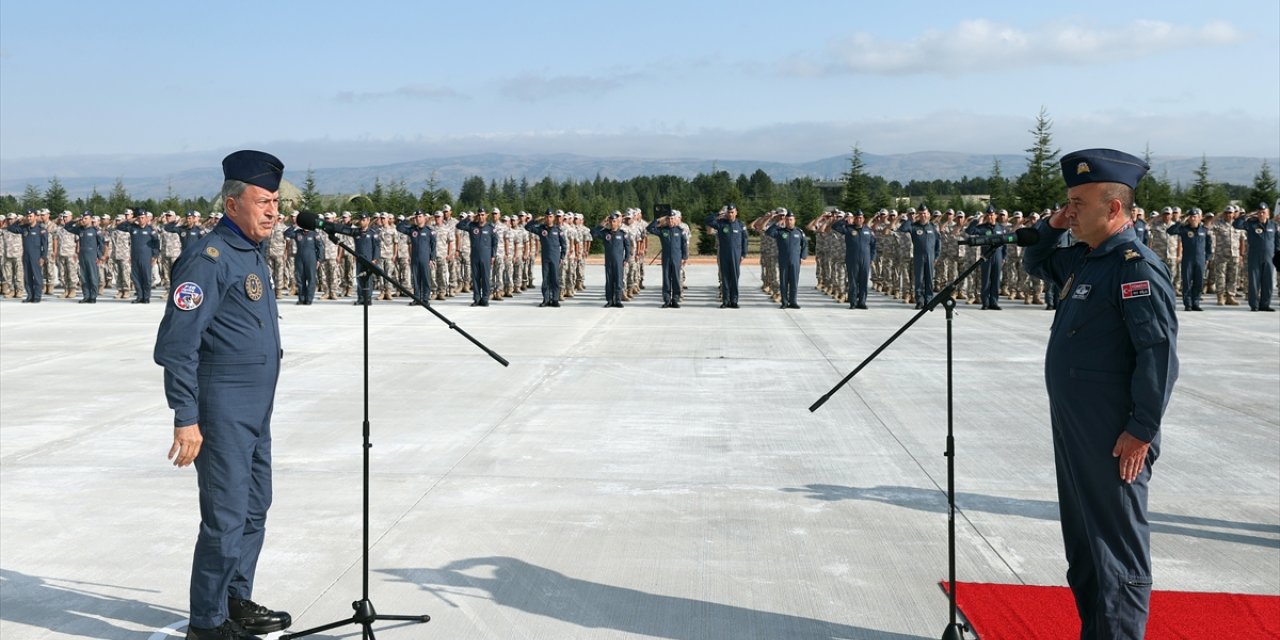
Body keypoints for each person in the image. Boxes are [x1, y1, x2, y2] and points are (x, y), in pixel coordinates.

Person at [1024, 148, 1179, 640]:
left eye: (1078, 203)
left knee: (1116, 550)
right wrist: (1053, 223)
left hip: (1114, 434)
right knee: (1086, 550)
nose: (1070, 212)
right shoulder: (1089, 259)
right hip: (1077, 429)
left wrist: (1140, 430)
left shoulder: (1134, 266)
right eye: (1067, 202)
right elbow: (1036, 258)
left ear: (1114, 208)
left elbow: (1158, 355)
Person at [153, 150, 292, 640]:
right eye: (263, 201)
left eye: (276, 201)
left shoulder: (249, 253)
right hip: (222, 410)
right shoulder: (207, 258)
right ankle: (208, 624)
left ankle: (235, 598)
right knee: (225, 516)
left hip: (256, 411)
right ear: (232, 204)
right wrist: (186, 417)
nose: (273, 211)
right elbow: (176, 346)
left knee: (255, 507)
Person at [1233, 203, 1278, 311]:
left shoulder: (1273, 225)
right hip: (1254, 256)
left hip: (1269, 257)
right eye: (1260, 212)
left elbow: (1277, 242)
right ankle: (1254, 305)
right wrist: (1248, 215)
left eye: (1264, 212)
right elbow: (1236, 224)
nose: (1261, 214)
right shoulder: (1251, 224)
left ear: (1268, 214)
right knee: (1254, 282)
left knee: (1268, 282)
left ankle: (1265, 305)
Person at [1166, 207, 1212, 311]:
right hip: (1188, 259)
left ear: (1199, 218)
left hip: (1200, 259)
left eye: (1195, 217)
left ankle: (1196, 302)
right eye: (1191, 217)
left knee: (1199, 281)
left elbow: (1209, 245)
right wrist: (1181, 221)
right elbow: (1170, 231)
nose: (1193, 219)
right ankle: (1188, 304)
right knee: (1186, 281)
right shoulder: (1184, 229)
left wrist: (1208, 258)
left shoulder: (1204, 230)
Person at [705, 203, 748, 308]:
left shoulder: (740, 225)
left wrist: (744, 254)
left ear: (736, 213)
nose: (730, 214)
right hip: (724, 255)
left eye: (732, 212)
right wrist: (718, 213)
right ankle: (725, 301)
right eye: (728, 212)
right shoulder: (721, 224)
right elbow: (707, 221)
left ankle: (734, 301)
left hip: (736, 255)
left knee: (734, 278)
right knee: (724, 278)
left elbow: (745, 240)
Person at [831, 210, 876, 309]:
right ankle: (853, 302)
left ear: (863, 219)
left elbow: (873, 246)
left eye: (860, 218)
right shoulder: (848, 229)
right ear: (854, 219)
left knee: (864, 281)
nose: (859, 219)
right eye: (857, 218)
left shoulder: (868, 231)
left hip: (865, 259)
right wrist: (844, 219)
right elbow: (834, 227)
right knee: (853, 281)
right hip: (852, 259)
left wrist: (872, 259)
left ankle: (862, 302)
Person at [765, 209, 809, 309]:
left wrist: (803, 257)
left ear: (794, 220)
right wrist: (777, 223)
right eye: (787, 219)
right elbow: (768, 232)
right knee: (784, 282)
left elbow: (805, 245)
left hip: (795, 261)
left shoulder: (799, 232)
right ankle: (784, 302)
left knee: (794, 282)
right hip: (783, 260)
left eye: (791, 219)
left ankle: (793, 301)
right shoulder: (780, 232)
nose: (789, 221)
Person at [646, 210, 689, 308]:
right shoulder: (662, 230)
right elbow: (649, 228)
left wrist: (685, 257)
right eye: (668, 219)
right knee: (666, 279)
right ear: (666, 220)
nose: (670, 221)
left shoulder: (680, 230)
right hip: (666, 258)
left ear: (675, 220)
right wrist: (658, 219)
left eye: (672, 219)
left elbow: (684, 245)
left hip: (677, 258)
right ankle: (666, 300)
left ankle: (675, 300)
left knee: (676, 279)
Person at [968, 206, 1008, 310]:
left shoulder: (1001, 228)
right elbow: (970, 231)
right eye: (988, 215)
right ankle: (985, 302)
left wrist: (1004, 257)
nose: (990, 217)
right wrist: (977, 221)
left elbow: (1005, 244)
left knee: (996, 280)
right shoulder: (982, 228)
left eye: (992, 215)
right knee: (985, 280)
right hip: (986, 256)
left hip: (998, 256)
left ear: (995, 215)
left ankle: (994, 302)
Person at [4, 209, 48, 302]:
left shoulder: (41, 228)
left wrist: (43, 257)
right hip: (26, 256)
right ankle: (30, 296)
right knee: (27, 277)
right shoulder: (24, 228)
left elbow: (45, 245)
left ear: (35, 216)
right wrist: (18, 220)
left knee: (37, 277)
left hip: (36, 256)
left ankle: (37, 296)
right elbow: (11, 228)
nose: (29, 218)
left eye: (31, 216)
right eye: (27, 216)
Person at [456, 209, 497, 306]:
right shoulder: (472, 226)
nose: (481, 216)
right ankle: (477, 299)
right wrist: (468, 218)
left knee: (486, 278)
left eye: (483, 215)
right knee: (475, 278)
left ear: (486, 216)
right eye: (479, 215)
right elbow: (459, 225)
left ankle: (485, 298)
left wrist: (493, 255)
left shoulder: (490, 227)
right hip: (474, 255)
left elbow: (495, 242)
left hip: (486, 256)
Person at [526, 209, 567, 307]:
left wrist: (562, 257)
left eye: (550, 217)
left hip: (555, 258)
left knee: (555, 279)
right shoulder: (541, 229)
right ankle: (546, 299)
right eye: (546, 217)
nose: (548, 219)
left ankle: (555, 299)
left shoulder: (558, 230)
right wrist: (536, 220)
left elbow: (564, 245)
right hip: (545, 258)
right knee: (545, 279)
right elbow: (527, 227)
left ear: (553, 218)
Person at [120, 209, 161, 303]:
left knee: (146, 277)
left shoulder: (150, 229)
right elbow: (120, 227)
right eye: (139, 218)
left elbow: (156, 243)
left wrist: (155, 256)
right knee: (136, 277)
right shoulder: (133, 228)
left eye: (143, 218)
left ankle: (146, 297)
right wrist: (130, 220)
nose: (141, 220)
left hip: (146, 257)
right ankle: (139, 296)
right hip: (135, 256)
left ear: (146, 218)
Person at [592, 213, 631, 307]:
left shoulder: (622, 234)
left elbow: (628, 247)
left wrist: (626, 259)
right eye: (610, 221)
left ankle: (618, 300)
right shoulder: (605, 233)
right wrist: (602, 224)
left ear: (618, 222)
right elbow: (593, 233)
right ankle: (609, 300)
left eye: (614, 221)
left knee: (618, 281)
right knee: (609, 281)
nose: (612, 223)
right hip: (609, 262)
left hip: (619, 262)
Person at [65, 212, 106, 303]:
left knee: (93, 276)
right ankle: (86, 296)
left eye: (86, 218)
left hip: (92, 256)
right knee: (84, 277)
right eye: (82, 218)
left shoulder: (96, 231)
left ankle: (93, 296)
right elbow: (67, 227)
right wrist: (74, 220)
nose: (83, 220)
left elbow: (101, 244)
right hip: (82, 255)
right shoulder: (80, 229)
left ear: (91, 219)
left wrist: (99, 256)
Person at [284, 214, 323, 305]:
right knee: (300, 279)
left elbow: (320, 247)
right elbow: (286, 234)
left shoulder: (314, 234)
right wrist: (294, 225)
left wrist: (319, 259)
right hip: (299, 258)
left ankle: (309, 299)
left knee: (311, 279)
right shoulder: (298, 232)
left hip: (311, 258)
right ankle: (301, 298)